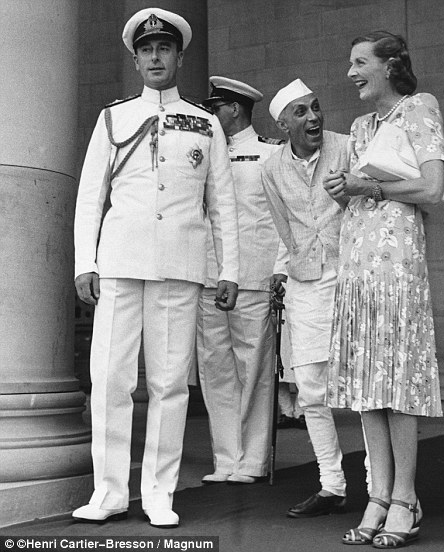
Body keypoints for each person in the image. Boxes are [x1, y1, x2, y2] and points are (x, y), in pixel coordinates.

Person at [72, 8, 239, 528]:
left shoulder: (206, 122)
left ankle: (160, 492)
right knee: (110, 378)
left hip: (180, 265)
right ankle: (109, 492)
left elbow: (223, 205)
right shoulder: (113, 118)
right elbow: (89, 197)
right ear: (136, 58)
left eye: (163, 49)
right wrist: (86, 261)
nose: (155, 57)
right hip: (120, 263)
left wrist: (228, 269)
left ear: (179, 56)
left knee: (169, 383)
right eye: (146, 50)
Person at [324, 31, 444, 547]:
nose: (351, 72)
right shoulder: (359, 126)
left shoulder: (420, 107)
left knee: (397, 387)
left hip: (397, 269)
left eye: (360, 62)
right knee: (367, 391)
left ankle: (405, 497)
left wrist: (367, 186)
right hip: (357, 270)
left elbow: (434, 188)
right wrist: (340, 191)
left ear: (390, 64)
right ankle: (378, 495)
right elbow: (355, 195)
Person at [261, 78, 349, 517]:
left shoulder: (348, 147)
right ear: (283, 124)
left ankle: (380, 486)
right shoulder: (271, 167)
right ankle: (332, 486)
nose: (313, 117)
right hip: (307, 282)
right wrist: (283, 270)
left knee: (363, 389)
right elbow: (285, 227)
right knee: (312, 390)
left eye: (315, 108)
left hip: (353, 274)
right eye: (301, 112)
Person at [197, 76, 284, 484]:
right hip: (208, 277)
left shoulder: (270, 155)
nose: (211, 115)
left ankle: (253, 460)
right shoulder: (202, 156)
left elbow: (283, 220)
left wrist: (279, 270)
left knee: (255, 371)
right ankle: (226, 458)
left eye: (215, 108)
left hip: (252, 276)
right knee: (216, 370)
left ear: (233, 109)